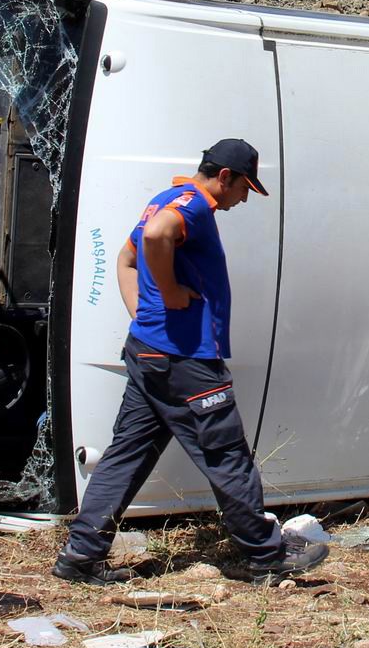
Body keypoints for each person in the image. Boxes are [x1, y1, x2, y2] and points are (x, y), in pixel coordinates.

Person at [52, 140, 329, 587]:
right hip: (187, 360)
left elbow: (126, 259)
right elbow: (158, 237)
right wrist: (168, 296)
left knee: (127, 454)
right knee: (226, 453)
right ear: (224, 177)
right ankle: (266, 555)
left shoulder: (163, 199)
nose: (242, 199)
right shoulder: (194, 206)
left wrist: (145, 316)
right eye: (244, 188)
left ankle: (81, 556)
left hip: (148, 352)